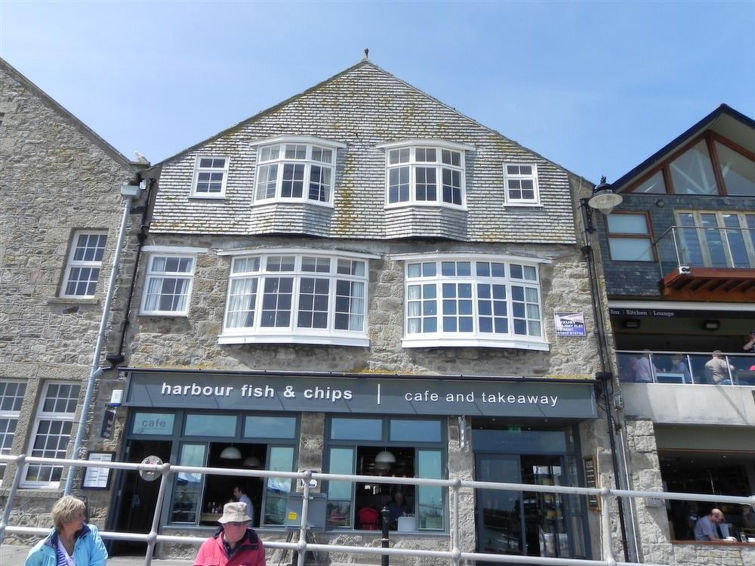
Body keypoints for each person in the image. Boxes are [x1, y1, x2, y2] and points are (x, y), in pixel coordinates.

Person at [25, 495, 107, 566]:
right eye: (79, 515)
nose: (84, 518)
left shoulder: (90, 533)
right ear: (66, 518)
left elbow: (99, 560)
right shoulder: (43, 547)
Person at [194, 502, 265, 566]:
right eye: (236, 524)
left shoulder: (256, 546)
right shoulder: (209, 545)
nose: (242, 527)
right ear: (224, 524)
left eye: (244, 523)